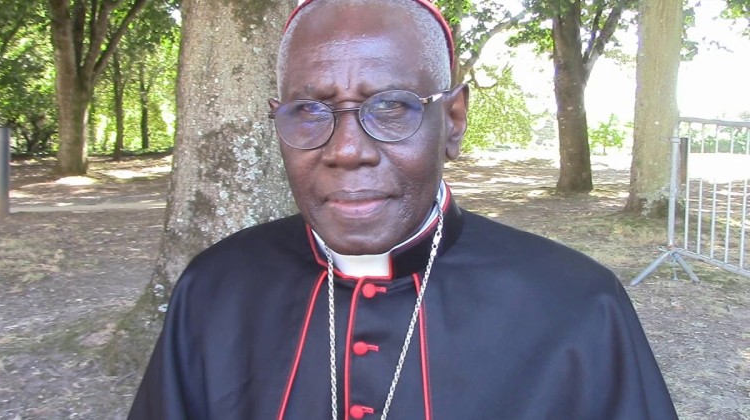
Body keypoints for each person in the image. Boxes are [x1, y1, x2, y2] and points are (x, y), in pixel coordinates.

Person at [129, 0, 678, 419]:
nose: (346, 150)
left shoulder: (578, 307)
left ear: (454, 120)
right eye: (310, 110)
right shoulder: (214, 289)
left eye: (391, 106)